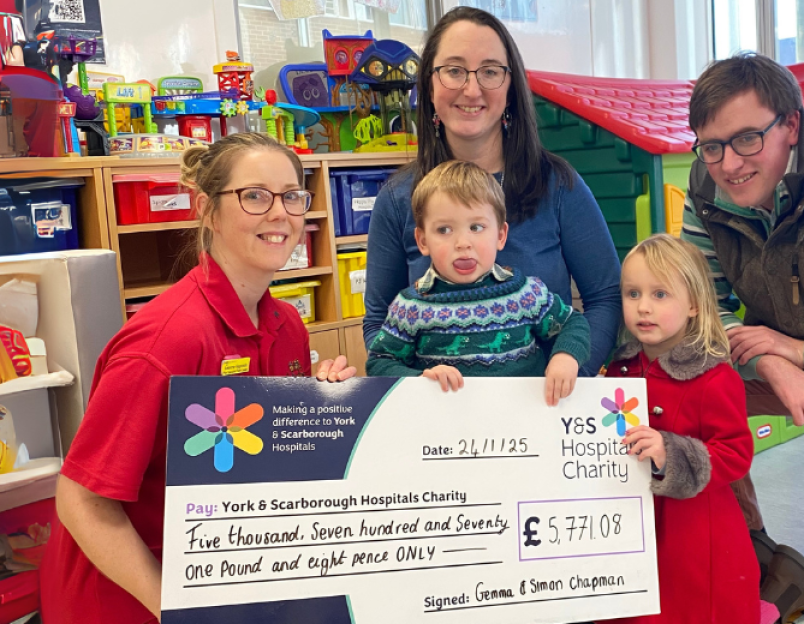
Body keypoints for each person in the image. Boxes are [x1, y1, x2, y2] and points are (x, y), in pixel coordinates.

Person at [39, 133, 356, 624]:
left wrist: (319, 403)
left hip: (216, 578)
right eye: (255, 196)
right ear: (208, 209)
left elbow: (254, 449)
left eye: (292, 196)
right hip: (129, 599)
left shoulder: (285, 325)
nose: (281, 214)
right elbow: (81, 499)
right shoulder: (166, 342)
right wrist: (175, 607)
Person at [363, 6, 621, 379]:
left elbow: (605, 298)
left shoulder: (558, 184)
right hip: (439, 421)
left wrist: (570, 373)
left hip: (545, 409)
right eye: (453, 70)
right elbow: (378, 323)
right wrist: (415, 388)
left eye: (490, 71)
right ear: (429, 85)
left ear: (511, 86)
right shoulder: (398, 197)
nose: (471, 88)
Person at [682, 53, 804, 608]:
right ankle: (754, 561)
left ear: (791, 126)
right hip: (765, 353)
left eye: (748, 139)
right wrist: (771, 361)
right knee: (687, 391)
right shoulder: (704, 187)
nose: (728, 163)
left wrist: (791, 349)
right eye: (712, 146)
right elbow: (702, 305)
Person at [603, 233, 760, 624]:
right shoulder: (617, 371)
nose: (643, 307)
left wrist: (669, 451)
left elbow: (736, 453)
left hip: (692, 535)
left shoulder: (714, 376)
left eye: (660, 295)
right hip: (628, 524)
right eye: (632, 293)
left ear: (693, 303)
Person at [366, 160, 590, 405]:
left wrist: (566, 356)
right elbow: (379, 363)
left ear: (501, 235)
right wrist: (419, 380)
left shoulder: (526, 294)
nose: (463, 242)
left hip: (525, 427)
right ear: (422, 241)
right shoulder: (410, 308)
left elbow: (572, 322)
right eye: (444, 230)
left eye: (476, 227)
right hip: (447, 432)